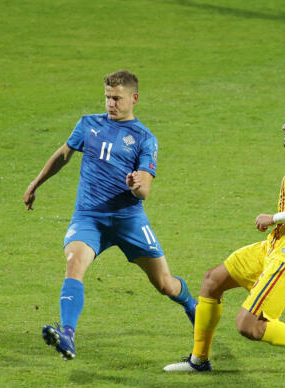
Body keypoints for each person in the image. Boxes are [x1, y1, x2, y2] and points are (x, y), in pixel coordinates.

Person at [23, 70, 196, 361]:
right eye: (107, 97)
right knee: (74, 263)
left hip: (128, 220)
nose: (110, 104)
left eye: (117, 98)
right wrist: (35, 183)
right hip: (89, 217)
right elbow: (64, 155)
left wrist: (135, 186)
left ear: (134, 98)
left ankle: (193, 306)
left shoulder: (145, 139)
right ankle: (67, 335)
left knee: (165, 284)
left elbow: (145, 191)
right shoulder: (87, 124)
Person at [164, 100, 285, 377]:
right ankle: (199, 361)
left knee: (249, 326)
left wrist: (274, 218)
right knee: (212, 281)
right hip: (275, 247)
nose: (284, 127)